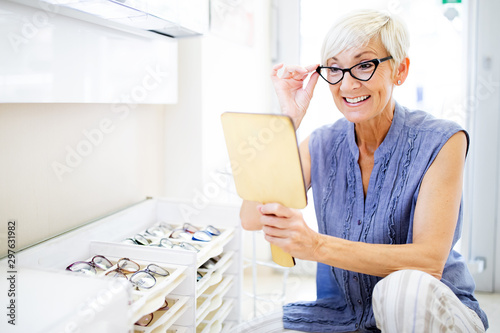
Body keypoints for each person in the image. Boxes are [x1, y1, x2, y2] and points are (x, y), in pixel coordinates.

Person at [239, 9, 489, 333]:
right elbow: (250, 216)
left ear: (400, 70)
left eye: (364, 65)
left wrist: (316, 246)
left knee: (400, 291)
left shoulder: (442, 140)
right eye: (336, 68)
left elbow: (429, 262)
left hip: (435, 311)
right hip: (343, 316)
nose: (347, 83)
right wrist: (288, 119)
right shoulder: (322, 143)